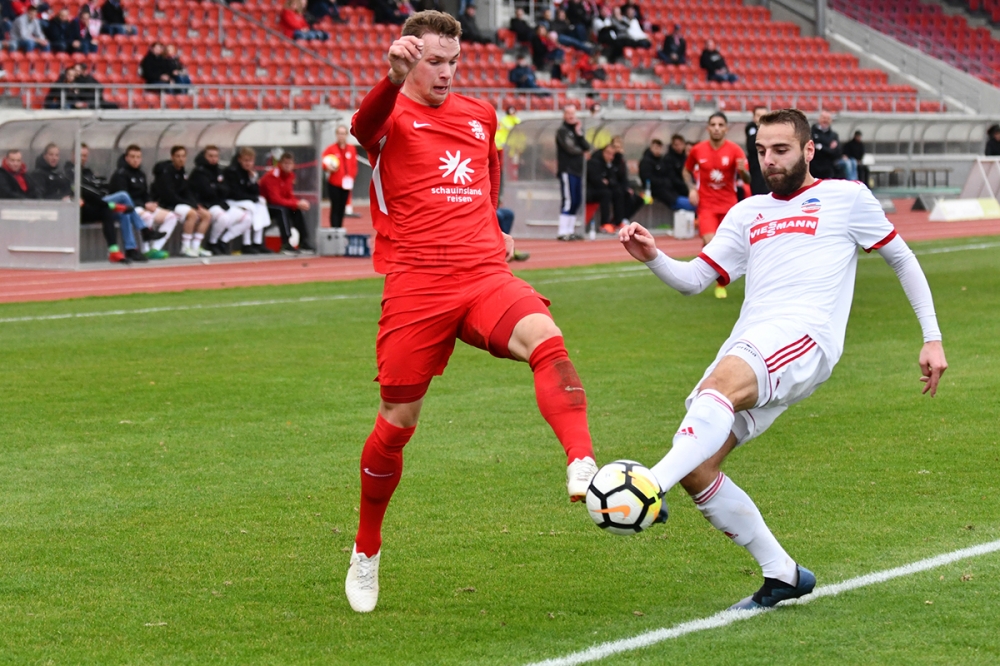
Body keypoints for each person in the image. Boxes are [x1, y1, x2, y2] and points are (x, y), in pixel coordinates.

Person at [617, 108, 947, 612]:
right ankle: (784, 574)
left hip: (805, 336)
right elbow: (693, 281)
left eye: (781, 150)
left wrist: (932, 336)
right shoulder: (747, 213)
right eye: (762, 151)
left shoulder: (846, 197)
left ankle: (646, 488)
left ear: (808, 150)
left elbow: (901, 257)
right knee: (699, 466)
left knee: (714, 395)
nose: (769, 161)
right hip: (751, 339)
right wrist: (655, 257)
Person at [345, 10, 597, 614]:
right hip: (417, 284)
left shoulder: (481, 116)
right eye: (434, 60)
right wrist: (389, 77)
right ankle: (366, 549)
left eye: (453, 61)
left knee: (547, 338)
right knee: (397, 420)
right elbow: (362, 127)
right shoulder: (390, 113)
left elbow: (486, 185)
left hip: (484, 273)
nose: (445, 72)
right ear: (410, 57)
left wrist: (495, 229)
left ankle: (583, 463)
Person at [684, 112, 749, 298]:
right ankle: (711, 279)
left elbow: (747, 178)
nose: (717, 128)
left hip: (729, 206)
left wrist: (744, 172)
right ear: (708, 127)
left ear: (726, 128)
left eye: (721, 125)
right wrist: (691, 189)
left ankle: (720, 282)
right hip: (706, 205)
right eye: (713, 124)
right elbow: (686, 171)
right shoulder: (698, 150)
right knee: (711, 243)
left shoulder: (735, 150)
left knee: (728, 247)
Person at [108, 144, 179, 259]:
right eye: (132, 157)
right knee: (147, 217)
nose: (135, 160)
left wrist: (151, 203)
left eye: (138, 157)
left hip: (143, 206)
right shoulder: (120, 174)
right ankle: (145, 249)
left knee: (172, 217)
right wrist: (144, 205)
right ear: (127, 158)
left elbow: (145, 194)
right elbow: (123, 198)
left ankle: (155, 248)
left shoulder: (141, 174)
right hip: (130, 207)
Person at [151, 145, 214, 258]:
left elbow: (187, 191)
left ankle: (195, 246)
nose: (181, 159)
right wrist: (190, 206)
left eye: (183, 156)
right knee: (192, 214)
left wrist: (195, 204)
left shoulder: (182, 172)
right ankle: (185, 247)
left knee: (206, 215)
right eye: (178, 156)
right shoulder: (166, 172)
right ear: (172, 157)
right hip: (169, 205)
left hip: (181, 204)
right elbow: (169, 195)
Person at [189, 146, 252, 256]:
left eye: (216, 156)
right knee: (223, 218)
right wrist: (218, 188)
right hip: (207, 205)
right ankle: (212, 242)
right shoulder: (199, 172)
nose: (213, 159)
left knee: (247, 218)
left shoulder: (219, 171)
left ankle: (223, 240)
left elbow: (226, 189)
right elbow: (207, 192)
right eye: (210, 156)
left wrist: (217, 188)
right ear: (204, 156)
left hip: (221, 203)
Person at [258, 152, 314, 254]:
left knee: (296, 210)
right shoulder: (272, 176)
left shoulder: (290, 175)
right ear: (280, 163)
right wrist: (295, 203)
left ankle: (303, 241)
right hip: (264, 206)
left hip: (278, 204)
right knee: (282, 210)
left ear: (293, 165)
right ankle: (285, 243)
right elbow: (274, 199)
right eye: (285, 163)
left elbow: (289, 195)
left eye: (290, 163)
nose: (287, 165)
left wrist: (298, 203)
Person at [223, 147, 273, 255]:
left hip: (245, 200)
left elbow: (255, 193)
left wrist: (253, 179)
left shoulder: (249, 173)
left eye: (250, 161)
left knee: (262, 202)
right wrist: (252, 198)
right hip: (232, 201)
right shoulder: (232, 171)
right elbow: (234, 193)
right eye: (246, 160)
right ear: (240, 159)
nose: (248, 163)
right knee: (250, 208)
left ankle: (258, 242)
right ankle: (246, 243)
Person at [555, 104, 590, 240]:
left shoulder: (576, 130)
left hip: (577, 170)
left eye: (573, 114)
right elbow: (570, 148)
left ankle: (570, 230)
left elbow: (587, 146)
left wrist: (579, 133)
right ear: (564, 115)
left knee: (576, 200)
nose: (571, 116)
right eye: (568, 114)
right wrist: (583, 152)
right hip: (567, 170)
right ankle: (562, 231)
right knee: (569, 200)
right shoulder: (562, 131)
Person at [639, 138, 693, 212]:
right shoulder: (646, 162)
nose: (657, 150)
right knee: (689, 204)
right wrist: (664, 182)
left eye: (659, 148)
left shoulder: (661, 161)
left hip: (671, 192)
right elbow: (647, 178)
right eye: (655, 147)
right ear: (651, 147)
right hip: (659, 193)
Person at [321, 125, 358, 229]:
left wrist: (352, 177)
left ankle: (339, 228)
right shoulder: (331, 149)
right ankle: (334, 228)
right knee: (335, 207)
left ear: (347, 135)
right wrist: (326, 167)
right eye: (339, 133)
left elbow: (354, 165)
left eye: (343, 133)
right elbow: (322, 161)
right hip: (334, 183)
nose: (341, 136)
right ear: (336, 135)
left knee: (342, 208)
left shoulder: (351, 148)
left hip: (346, 184)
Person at [810, 111, 841, 179]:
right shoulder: (811, 132)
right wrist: (828, 149)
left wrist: (821, 147)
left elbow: (837, 153)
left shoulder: (834, 135)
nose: (825, 120)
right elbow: (812, 150)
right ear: (819, 119)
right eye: (824, 118)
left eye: (828, 118)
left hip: (828, 172)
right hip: (813, 171)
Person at [745, 105, 769, 195]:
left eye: (764, 116)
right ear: (754, 117)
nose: (761, 119)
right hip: (756, 170)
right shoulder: (751, 128)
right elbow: (751, 146)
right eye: (759, 115)